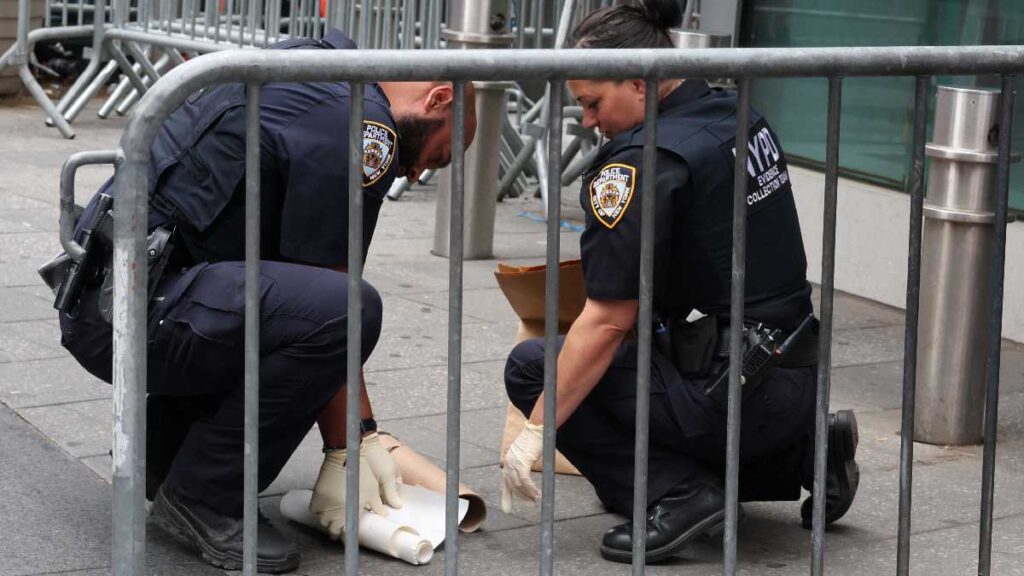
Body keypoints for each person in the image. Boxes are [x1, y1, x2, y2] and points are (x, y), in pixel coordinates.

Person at [55, 28, 477, 573]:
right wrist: (353, 443)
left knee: (284, 301)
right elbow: (333, 294)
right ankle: (207, 495)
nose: (415, 174)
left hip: (110, 297)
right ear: (437, 99)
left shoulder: (314, 65)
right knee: (347, 309)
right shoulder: (365, 123)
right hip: (139, 310)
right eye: (436, 157)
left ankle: (167, 458)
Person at [500, 0, 859, 564]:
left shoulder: (642, 162)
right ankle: (811, 449)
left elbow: (608, 318)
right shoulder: (739, 114)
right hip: (796, 374)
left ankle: (681, 494)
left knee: (533, 366)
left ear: (640, 82)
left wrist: (535, 432)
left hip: (730, 394)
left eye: (592, 103)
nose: (589, 122)